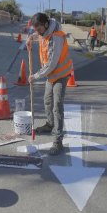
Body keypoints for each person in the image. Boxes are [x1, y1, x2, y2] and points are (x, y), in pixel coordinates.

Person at [26, 13, 73, 155]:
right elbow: (39, 35)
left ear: (45, 24)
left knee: (57, 106)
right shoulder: (44, 32)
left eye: (38, 28)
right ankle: (50, 124)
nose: (37, 31)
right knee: (47, 101)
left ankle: (58, 141)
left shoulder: (56, 37)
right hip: (51, 75)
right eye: (35, 29)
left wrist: (36, 76)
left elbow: (52, 63)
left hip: (60, 74)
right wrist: (30, 38)